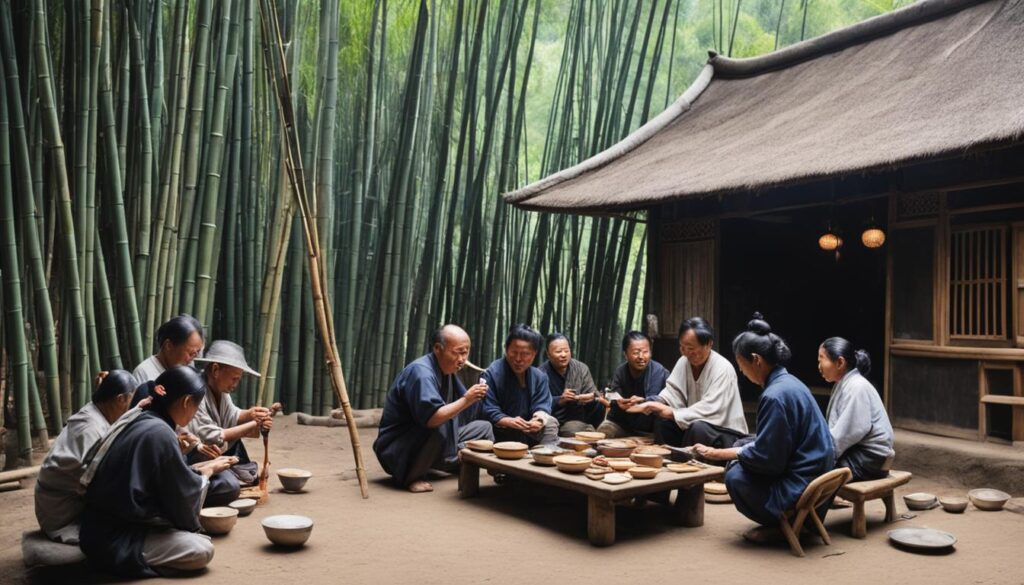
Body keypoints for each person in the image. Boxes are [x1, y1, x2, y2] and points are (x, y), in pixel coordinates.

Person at [79, 367, 235, 577]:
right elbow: (181, 497)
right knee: (201, 550)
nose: (195, 413)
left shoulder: (141, 415)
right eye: (197, 407)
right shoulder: (160, 432)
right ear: (187, 401)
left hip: (95, 528)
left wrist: (202, 470)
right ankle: (128, 565)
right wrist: (205, 473)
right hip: (115, 539)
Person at [696, 313, 834, 536]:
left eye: (741, 365)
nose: (741, 371)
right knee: (743, 442)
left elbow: (770, 461)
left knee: (735, 474)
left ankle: (779, 522)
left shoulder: (774, 396)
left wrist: (723, 455)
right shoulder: (791, 382)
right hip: (818, 472)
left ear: (756, 360)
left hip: (803, 482)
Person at [374, 325, 494, 493]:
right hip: (399, 447)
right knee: (439, 425)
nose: (462, 359)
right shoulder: (421, 373)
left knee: (483, 428)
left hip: (435, 437)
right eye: (457, 352)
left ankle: (452, 461)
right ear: (438, 348)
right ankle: (411, 476)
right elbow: (433, 419)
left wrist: (477, 396)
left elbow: (465, 413)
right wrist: (467, 399)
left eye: (465, 352)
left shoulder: (448, 371)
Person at [34, 370, 137, 544]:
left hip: (56, 501)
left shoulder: (96, 412)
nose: (132, 408)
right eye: (131, 401)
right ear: (120, 399)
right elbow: (94, 480)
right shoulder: (91, 428)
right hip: (60, 511)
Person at [629, 317, 748, 448]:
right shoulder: (684, 361)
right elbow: (672, 393)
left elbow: (711, 410)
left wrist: (672, 412)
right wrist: (649, 402)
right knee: (663, 420)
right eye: (682, 347)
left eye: (691, 348)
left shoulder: (723, 368)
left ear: (708, 344)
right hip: (694, 424)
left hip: (726, 433)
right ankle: (668, 459)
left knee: (697, 427)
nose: (685, 352)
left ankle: (689, 463)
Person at [187, 340, 276, 501]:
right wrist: (255, 422)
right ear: (215, 370)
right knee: (230, 486)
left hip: (215, 454)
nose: (235, 384)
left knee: (244, 469)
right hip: (193, 457)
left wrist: (251, 414)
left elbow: (233, 416)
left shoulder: (221, 391)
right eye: (234, 379)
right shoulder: (196, 390)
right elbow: (212, 436)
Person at [818, 337, 894, 481]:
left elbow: (849, 433)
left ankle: (826, 499)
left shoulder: (857, 386)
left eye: (821, 359)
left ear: (840, 362)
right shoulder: (845, 383)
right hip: (859, 453)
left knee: (811, 471)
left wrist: (822, 452)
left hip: (870, 458)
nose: (819, 365)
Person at [481, 324, 559, 446]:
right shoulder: (492, 374)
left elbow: (542, 404)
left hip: (528, 430)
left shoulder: (539, 377)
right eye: (514, 352)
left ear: (534, 354)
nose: (518, 359)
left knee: (550, 422)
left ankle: (543, 457)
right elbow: (487, 408)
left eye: (525, 354)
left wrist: (538, 420)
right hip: (500, 432)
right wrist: (508, 421)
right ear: (506, 350)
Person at [596, 331, 669, 438]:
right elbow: (612, 395)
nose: (641, 356)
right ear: (625, 354)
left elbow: (661, 399)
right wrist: (618, 402)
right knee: (603, 431)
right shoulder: (620, 371)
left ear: (651, 353)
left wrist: (643, 400)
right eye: (636, 352)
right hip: (622, 424)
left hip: (650, 427)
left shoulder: (659, 371)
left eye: (645, 352)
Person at [540, 333, 606, 437]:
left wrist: (591, 397)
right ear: (548, 354)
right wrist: (560, 400)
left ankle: (590, 429)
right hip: (553, 419)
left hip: (578, 418)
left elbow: (593, 395)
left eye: (566, 351)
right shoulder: (540, 373)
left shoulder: (581, 368)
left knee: (598, 405)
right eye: (558, 351)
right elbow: (538, 403)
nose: (563, 355)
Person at [133, 314, 205, 384]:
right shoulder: (144, 373)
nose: (193, 358)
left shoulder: (189, 370)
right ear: (168, 346)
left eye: (197, 352)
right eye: (191, 353)